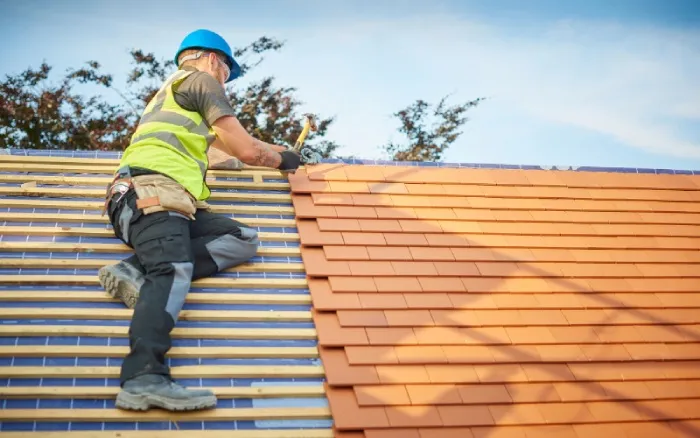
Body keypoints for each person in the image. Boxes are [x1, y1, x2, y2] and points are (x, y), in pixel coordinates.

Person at [97, 29, 301, 413]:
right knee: (173, 270)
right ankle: (144, 377)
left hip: (156, 201)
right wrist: (282, 162)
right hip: (153, 193)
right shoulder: (202, 81)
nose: (226, 79)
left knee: (241, 238)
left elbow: (233, 145)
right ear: (211, 59)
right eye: (227, 69)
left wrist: (283, 151)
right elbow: (245, 149)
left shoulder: (176, 95)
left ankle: (135, 269)